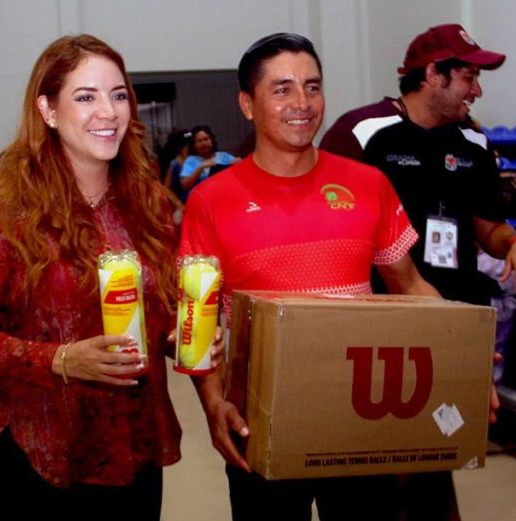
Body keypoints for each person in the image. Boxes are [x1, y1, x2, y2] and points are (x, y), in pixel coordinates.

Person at [179, 32, 440, 521]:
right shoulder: (210, 201)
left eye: (312, 86)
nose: (302, 102)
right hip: (259, 422)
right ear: (247, 104)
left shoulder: (368, 184)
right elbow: (196, 322)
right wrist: (213, 406)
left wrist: (459, 355)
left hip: (360, 419)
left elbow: (410, 285)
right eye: (282, 89)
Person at [0, 34, 184, 520]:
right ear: (48, 110)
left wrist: (182, 334)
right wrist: (61, 359)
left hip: (133, 450)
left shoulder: (147, 205)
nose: (108, 112)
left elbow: (157, 313)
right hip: (38, 457)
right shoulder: (2, 211)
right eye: (86, 97)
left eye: (119, 95)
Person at [321, 23, 516, 520]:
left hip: (450, 323)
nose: (477, 90)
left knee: (435, 455)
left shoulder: (473, 143)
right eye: (468, 77)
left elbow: (488, 225)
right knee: (372, 469)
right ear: (433, 75)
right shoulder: (360, 133)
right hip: (375, 329)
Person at [179, 124, 239, 195]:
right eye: (199, 141)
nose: (204, 143)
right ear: (194, 145)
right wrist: (201, 168)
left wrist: (239, 164)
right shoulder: (190, 161)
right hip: (202, 197)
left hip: (226, 194)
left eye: (206, 139)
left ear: (212, 140)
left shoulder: (224, 156)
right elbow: (185, 186)